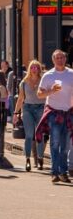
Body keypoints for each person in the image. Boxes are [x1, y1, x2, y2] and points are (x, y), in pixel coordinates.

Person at [36, 49, 73, 184]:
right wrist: (51, 91)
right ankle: (54, 172)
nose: (60, 60)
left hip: (68, 113)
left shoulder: (71, 74)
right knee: (55, 142)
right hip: (54, 112)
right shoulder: (48, 75)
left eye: (62, 57)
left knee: (65, 146)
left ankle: (63, 172)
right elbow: (39, 94)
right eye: (57, 58)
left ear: (65, 59)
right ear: (53, 60)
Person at [14, 59, 45, 171]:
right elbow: (21, 98)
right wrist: (16, 113)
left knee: (39, 134)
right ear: (29, 69)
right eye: (32, 67)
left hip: (41, 108)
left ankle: (40, 158)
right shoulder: (23, 82)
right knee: (29, 135)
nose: (34, 69)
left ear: (39, 69)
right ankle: (28, 160)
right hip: (27, 108)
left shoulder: (43, 80)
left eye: (36, 67)